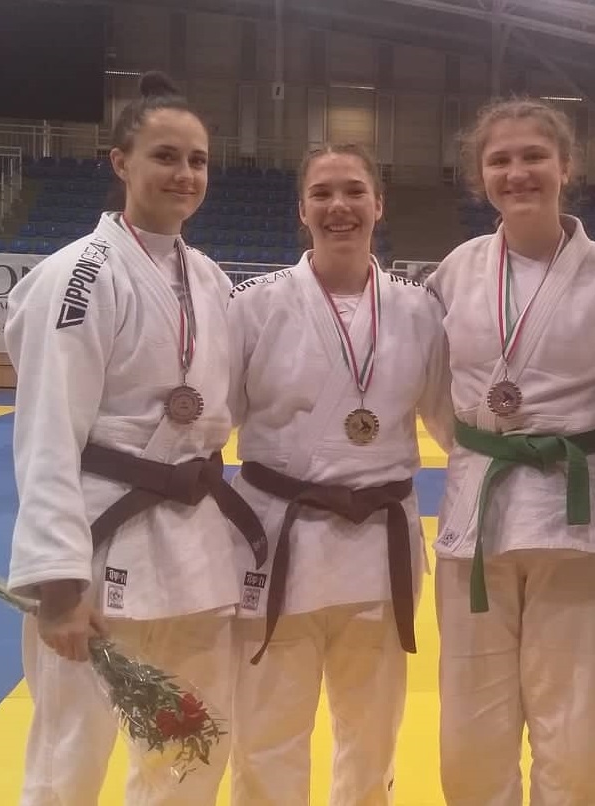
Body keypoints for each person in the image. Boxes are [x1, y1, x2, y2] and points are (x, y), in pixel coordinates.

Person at [4, 71, 265, 806]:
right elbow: (47, 435)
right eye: (165, 156)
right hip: (99, 549)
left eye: (198, 160)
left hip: (196, 553)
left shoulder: (209, 278)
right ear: (121, 162)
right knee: (69, 761)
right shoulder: (78, 276)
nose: (185, 174)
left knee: (188, 753)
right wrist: (58, 587)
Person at [228, 143, 453, 805]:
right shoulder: (254, 306)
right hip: (277, 539)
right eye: (322, 193)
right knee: (266, 734)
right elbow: (208, 428)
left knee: (373, 735)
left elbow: (452, 426)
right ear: (302, 210)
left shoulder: (419, 310)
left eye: (354, 191)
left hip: (379, 546)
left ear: (379, 204)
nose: (339, 206)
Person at [426, 98, 595, 805]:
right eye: (500, 160)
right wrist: (481, 448)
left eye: (534, 156)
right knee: (469, 723)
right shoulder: (457, 270)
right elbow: (433, 387)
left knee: (570, 721)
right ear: (479, 175)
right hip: (476, 518)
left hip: (575, 518)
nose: (517, 172)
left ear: (566, 166)